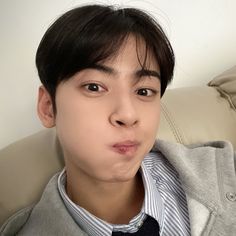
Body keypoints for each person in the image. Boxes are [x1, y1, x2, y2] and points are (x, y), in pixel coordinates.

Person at [1, 4, 235, 236]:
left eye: (144, 91)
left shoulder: (223, 171)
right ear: (48, 107)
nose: (128, 115)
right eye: (94, 87)